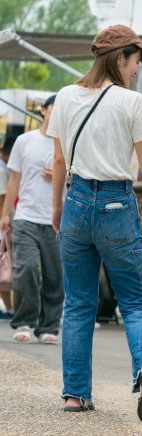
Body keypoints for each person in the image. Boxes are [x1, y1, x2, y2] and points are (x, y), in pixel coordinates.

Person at [48, 25, 142, 420]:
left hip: (75, 201)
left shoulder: (66, 97)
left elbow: (58, 161)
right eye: (137, 59)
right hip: (117, 205)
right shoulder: (132, 102)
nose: (138, 68)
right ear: (119, 57)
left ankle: (75, 394)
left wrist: (58, 207)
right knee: (137, 302)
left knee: (78, 304)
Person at [0, 96, 64, 344]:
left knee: (54, 275)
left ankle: (48, 326)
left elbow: (77, 178)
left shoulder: (67, 145)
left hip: (57, 218)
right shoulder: (25, 141)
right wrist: (5, 214)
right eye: (53, 109)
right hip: (26, 216)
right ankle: (25, 321)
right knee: (25, 269)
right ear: (43, 110)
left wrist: (62, 173)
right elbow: (14, 180)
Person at [0, 136, 16, 319]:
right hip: (3, 224)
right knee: (5, 265)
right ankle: (10, 308)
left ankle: (9, 308)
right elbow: (2, 198)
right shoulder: (3, 171)